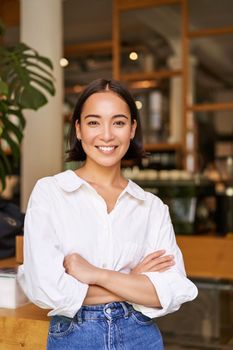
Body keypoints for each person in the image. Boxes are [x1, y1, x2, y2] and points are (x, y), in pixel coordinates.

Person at [18, 78, 198, 350]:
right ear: (78, 129)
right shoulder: (50, 193)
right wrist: (133, 281)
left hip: (141, 337)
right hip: (73, 337)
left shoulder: (150, 206)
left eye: (118, 122)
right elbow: (46, 289)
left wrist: (93, 274)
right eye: (93, 122)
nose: (106, 135)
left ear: (132, 129)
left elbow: (174, 289)